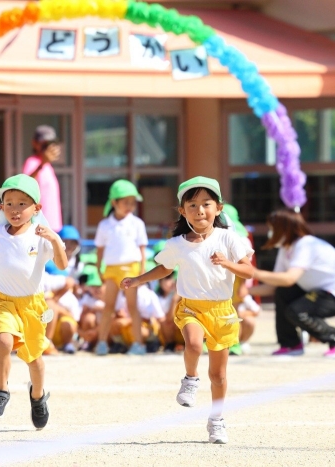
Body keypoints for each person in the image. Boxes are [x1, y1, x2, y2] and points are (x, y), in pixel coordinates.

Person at [121, 176, 254, 444]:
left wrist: (227, 264)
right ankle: (191, 379)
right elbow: (164, 268)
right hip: (191, 308)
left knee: (218, 375)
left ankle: (216, 420)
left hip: (222, 312)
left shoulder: (229, 238)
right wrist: (137, 280)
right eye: (192, 205)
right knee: (193, 343)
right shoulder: (177, 244)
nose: (199, 210)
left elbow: (248, 271)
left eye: (206, 204)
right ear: (183, 211)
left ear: (218, 208)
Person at [0, 174, 68, 429]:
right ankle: (1, 391)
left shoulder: (41, 235)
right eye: (9, 203)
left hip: (32, 305)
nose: (15, 209)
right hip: (4, 300)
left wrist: (55, 239)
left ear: (37, 208)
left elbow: (62, 265)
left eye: (22, 204)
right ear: (1, 207)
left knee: (34, 359)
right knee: (3, 340)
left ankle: (38, 396)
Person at [250, 208, 335, 358]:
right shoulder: (286, 248)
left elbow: (289, 278)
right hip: (317, 291)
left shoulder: (306, 245)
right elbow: (275, 284)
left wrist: (253, 272)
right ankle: (290, 344)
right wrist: (245, 292)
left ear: (283, 228)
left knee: (298, 311)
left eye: (272, 228)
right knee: (283, 292)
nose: (270, 232)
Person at [94, 180, 149, 356]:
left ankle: (138, 344)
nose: (130, 206)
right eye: (126, 202)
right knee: (108, 307)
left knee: (132, 307)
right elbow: (100, 250)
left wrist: (142, 271)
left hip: (131, 269)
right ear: (114, 202)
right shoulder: (104, 225)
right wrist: (98, 268)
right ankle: (102, 343)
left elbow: (142, 249)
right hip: (111, 270)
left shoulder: (137, 223)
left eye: (132, 203)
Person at [221, 204, 261, 356]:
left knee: (233, 312)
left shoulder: (241, 238)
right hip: (220, 277)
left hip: (235, 278)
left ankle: (234, 342)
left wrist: (243, 285)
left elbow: (246, 264)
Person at [23, 125, 63, 232]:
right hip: (38, 225)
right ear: (34, 143)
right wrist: (42, 164)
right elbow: (25, 185)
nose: (48, 147)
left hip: (51, 226)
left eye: (51, 143)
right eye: (44, 144)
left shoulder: (48, 165)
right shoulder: (32, 162)